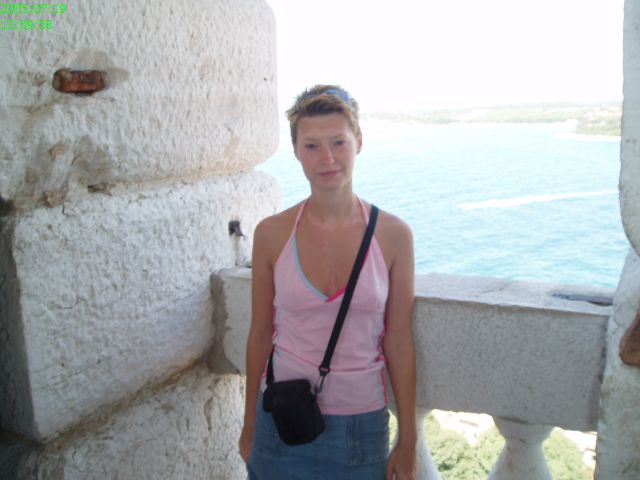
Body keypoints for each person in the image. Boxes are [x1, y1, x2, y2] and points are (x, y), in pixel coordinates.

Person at [239, 85, 417, 480]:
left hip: (361, 430)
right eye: (312, 146)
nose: (327, 158)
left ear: (359, 142)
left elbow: (399, 341)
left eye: (338, 142)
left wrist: (408, 440)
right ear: (296, 151)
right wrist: (250, 424)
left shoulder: (394, 236)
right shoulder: (272, 233)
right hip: (279, 421)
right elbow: (260, 334)